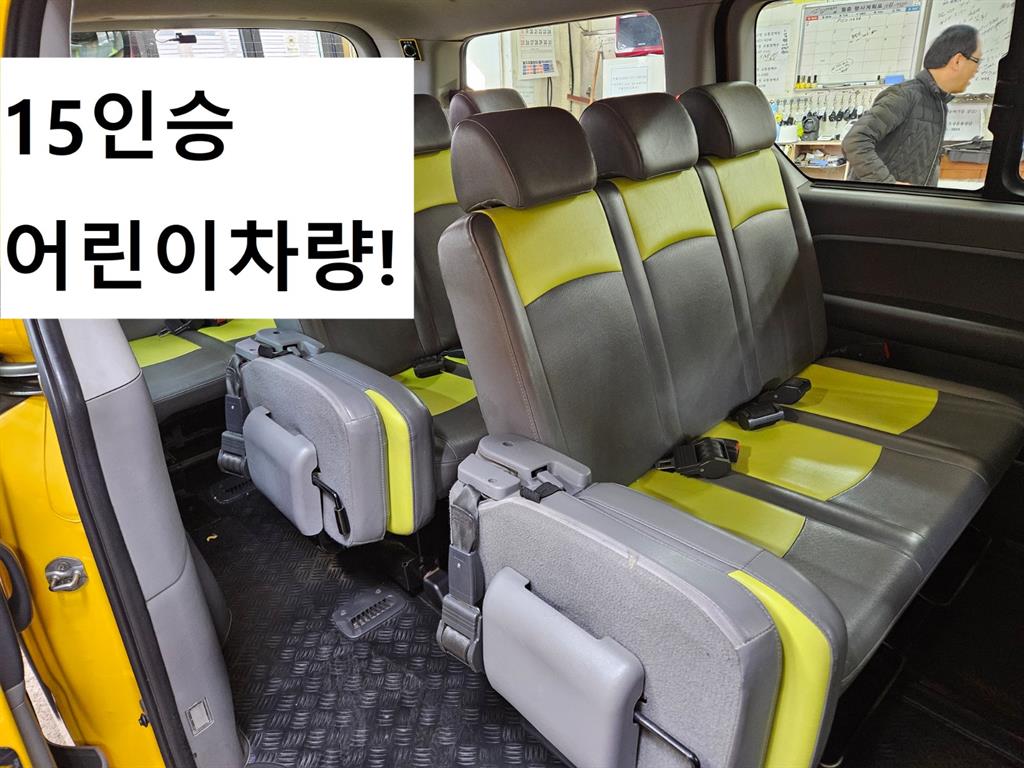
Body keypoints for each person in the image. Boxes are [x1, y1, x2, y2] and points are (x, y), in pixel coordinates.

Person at [842, 25, 981, 186]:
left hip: (907, 199)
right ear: (957, 60)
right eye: (977, 61)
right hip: (879, 200)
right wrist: (888, 185)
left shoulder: (939, 104)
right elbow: (855, 141)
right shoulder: (904, 96)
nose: (976, 70)